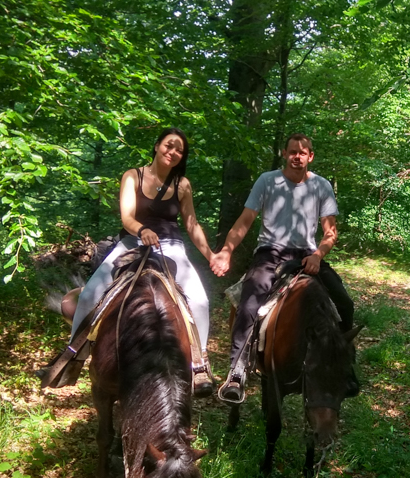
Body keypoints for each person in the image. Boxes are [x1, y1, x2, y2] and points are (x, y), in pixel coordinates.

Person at [65, 128, 215, 396]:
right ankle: (73, 356)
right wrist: (142, 230)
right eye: (169, 145)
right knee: (89, 295)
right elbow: (127, 217)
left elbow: (192, 225)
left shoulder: (182, 185)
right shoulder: (133, 176)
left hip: (171, 246)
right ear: (157, 146)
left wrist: (211, 256)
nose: (173, 152)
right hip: (131, 243)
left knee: (200, 301)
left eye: (179, 150)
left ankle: (199, 364)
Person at [210, 133, 355, 402]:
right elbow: (245, 221)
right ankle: (237, 370)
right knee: (249, 302)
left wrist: (318, 255)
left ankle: (341, 363)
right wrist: (226, 251)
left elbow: (330, 232)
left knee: (345, 304)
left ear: (311, 156)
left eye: (303, 152)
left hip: (307, 256)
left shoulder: (321, 186)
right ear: (284, 154)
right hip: (271, 253)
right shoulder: (267, 181)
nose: (297, 156)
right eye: (292, 152)